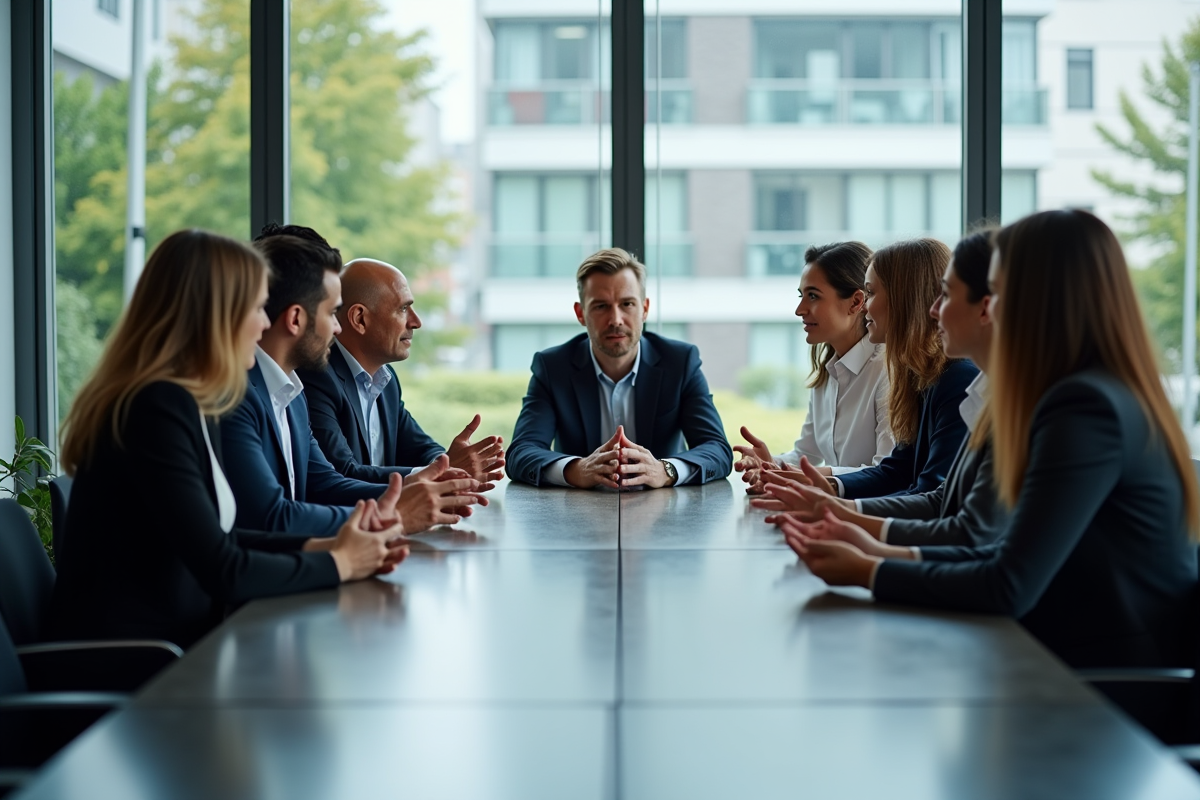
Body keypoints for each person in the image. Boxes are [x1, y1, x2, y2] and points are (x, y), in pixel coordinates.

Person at [785, 210, 1200, 669]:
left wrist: (869, 567)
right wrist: (860, 536)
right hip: (1057, 650)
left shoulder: (1084, 408)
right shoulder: (1038, 394)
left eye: (995, 292)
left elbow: (1006, 579)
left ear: (1031, 301)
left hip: (1101, 679)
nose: (935, 310)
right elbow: (964, 520)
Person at [50, 230, 409, 648]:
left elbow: (220, 538)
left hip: (176, 647)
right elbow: (223, 569)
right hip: (138, 663)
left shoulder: (183, 400)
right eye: (256, 308)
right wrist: (341, 562)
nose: (264, 323)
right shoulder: (156, 407)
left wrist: (328, 545)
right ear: (215, 316)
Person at [220, 233, 482, 538]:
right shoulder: (235, 398)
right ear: (295, 319)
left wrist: (421, 485)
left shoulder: (292, 394)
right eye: (332, 313)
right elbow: (272, 518)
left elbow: (325, 483)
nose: (337, 327)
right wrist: (394, 515)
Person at [757, 231, 1006, 549]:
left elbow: (935, 499)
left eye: (871, 293)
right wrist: (828, 488)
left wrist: (839, 512)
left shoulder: (956, 380)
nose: (865, 308)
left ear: (904, 300)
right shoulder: (922, 377)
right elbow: (898, 471)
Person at [507, 247, 733, 489]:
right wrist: (576, 469)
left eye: (627, 304)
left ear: (644, 308)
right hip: (579, 508)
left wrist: (665, 470)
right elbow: (521, 452)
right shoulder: (553, 367)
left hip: (665, 507)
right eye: (601, 306)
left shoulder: (680, 362)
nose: (615, 319)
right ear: (581, 313)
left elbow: (717, 449)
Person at [297, 257, 505, 485]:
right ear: (360, 319)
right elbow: (342, 474)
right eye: (403, 309)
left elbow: (419, 447)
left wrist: (450, 465)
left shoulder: (385, 379)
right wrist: (440, 472)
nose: (416, 322)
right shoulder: (317, 376)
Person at [734, 241, 892, 494]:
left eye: (813, 296)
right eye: (802, 296)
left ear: (856, 302)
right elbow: (806, 454)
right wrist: (769, 465)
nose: (800, 310)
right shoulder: (827, 374)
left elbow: (887, 471)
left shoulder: (888, 372)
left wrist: (799, 476)